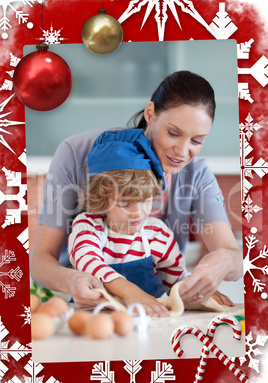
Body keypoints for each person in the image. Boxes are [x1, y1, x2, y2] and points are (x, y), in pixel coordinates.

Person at [30, 70, 243, 309]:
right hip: (80, 304)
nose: (183, 153)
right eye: (173, 133)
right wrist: (73, 280)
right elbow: (40, 260)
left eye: (197, 141)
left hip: (152, 307)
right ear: (150, 113)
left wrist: (221, 262)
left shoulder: (197, 176)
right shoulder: (77, 153)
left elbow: (233, 261)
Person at [68, 129, 191, 317]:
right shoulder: (87, 227)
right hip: (93, 318)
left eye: (145, 200)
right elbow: (89, 263)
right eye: (125, 204)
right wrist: (131, 292)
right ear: (102, 200)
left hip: (145, 322)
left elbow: (177, 277)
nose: (137, 213)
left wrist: (198, 292)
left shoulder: (156, 234)